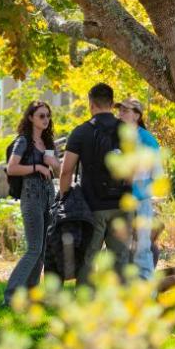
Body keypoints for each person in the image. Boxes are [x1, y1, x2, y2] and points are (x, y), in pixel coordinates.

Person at [60, 83, 132, 284]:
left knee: (88, 259)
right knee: (120, 259)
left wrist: (64, 198)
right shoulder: (127, 131)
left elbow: (66, 171)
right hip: (122, 205)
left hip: (92, 206)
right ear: (111, 103)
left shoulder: (81, 132)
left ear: (91, 104)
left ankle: (85, 303)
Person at [3, 101, 60, 306]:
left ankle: (31, 296)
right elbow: (12, 168)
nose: (46, 119)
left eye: (48, 116)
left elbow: (59, 172)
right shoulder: (23, 142)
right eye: (41, 116)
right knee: (34, 248)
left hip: (48, 195)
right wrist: (37, 167)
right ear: (31, 118)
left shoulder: (49, 143)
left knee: (43, 249)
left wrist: (54, 165)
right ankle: (10, 296)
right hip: (31, 195)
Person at [115, 97, 161, 280]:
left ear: (136, 115)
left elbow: (157, 175)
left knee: (142, 248)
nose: (120, 114)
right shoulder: (116, 136)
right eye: (120, 110)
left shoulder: (147, 140)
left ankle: (147, 291)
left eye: (125, 111)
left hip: (140, 201)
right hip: (118, 201)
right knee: (120, 249)